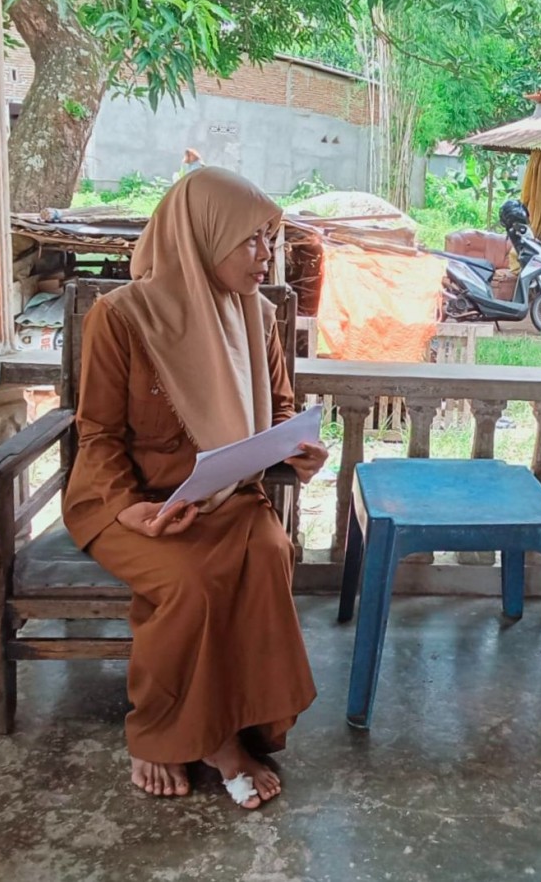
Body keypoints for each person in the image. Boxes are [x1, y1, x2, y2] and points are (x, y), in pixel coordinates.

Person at [62, 167, 328, 808]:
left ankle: (232, 723)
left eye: (271, 238)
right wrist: (131, 512)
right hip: (130, 505)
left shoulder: (259, 319)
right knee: (187, 583)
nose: (267, 255)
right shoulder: (121, 319)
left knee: (269, 554)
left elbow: (281, 413)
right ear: (202, 237)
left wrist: (300, 455)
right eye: (252, 240)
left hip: (231, 498)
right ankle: (164, 734)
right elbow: (97, 435)